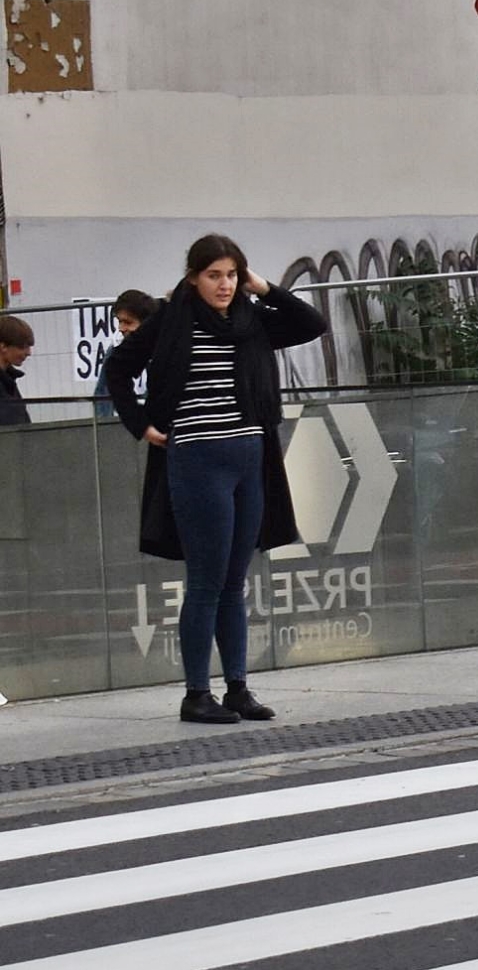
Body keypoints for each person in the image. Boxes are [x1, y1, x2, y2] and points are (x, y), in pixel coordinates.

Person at [104, 234, 328, 725]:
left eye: (231, 275)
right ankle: (195, 694)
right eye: (214, 275)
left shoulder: (251, 321)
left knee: (234, 580)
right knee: (205, 580)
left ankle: (238, 689)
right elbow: (118, 368)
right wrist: (140, 424)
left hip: (251, 455)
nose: (224, 285)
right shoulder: (170, 321)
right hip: (197, 457)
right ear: (193, 278)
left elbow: (312, 324)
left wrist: (260, 285)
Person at [92, 290, 161, 418]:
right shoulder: (114, 351)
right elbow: (102, 394)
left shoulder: (164, 353)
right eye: (119, 321)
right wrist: (104, 428)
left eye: (128, 322)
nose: (121, 328)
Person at [0, 314, 32, 427]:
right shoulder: (8, 382)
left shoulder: (10, 381)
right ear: (3, 347)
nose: (29, 353)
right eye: (23, 347)